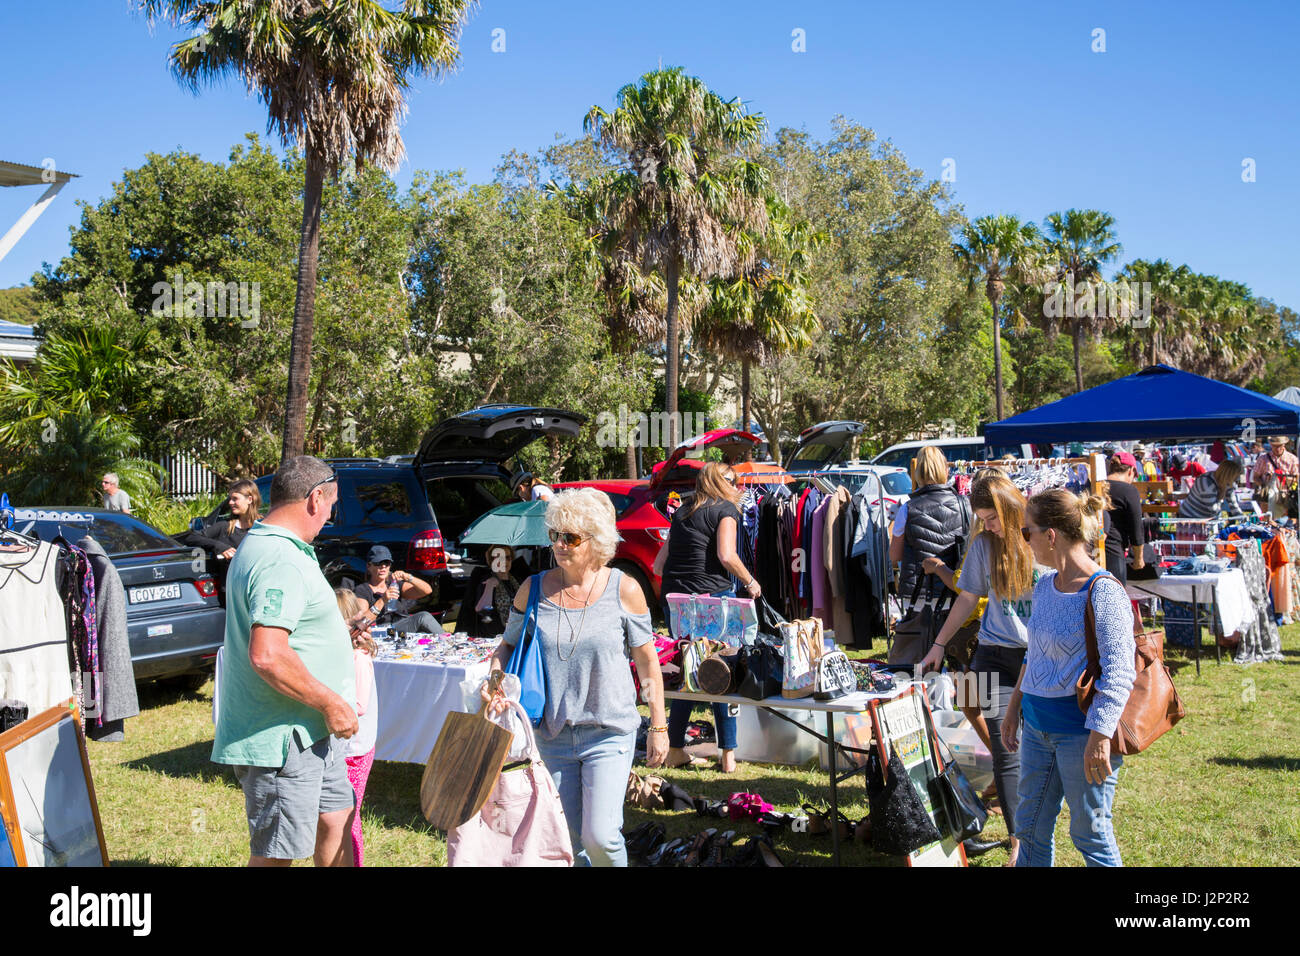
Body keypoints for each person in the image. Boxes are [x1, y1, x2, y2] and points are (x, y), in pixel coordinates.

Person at [483, 487, 667, 867]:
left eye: (571, 537)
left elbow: (648, 661)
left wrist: (659, 726)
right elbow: (504, 648)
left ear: (597, 541)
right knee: (565, 840)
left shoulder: (625, 589)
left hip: (609, 731)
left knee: (600, 837)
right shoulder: (531, 589)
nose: (560, 545)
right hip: (552, 734)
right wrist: (496, 680)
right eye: (555, 536)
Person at [211, 456, 358, 867]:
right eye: (331, 505)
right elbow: (268, 654)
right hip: (282, 738)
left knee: (335, 819)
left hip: (308, 729)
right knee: (278, 854)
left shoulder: (271, 544)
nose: (329, 516)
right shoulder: (279, 558)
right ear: (315, 499)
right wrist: (331, 702)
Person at [1003, 489, 1136, 867]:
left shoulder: (1104, 591)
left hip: (1081, 735)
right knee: (1028, 828)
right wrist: (1014, 708)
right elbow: (1033, 655)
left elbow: (1120, 671)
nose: (1024, 541)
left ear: (1051, 536)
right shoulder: (1045, 586)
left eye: (1027, 532)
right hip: (1037, 728)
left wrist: (1099, 736)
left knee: (1090, 833)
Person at [919, 474, 1045, 866]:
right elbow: (968, 597)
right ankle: (1018, 841)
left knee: (1039, 748)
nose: (987, 526)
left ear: (1010, 508)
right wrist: (938, 645)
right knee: (1007, 749)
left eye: (991, 518)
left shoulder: (1041, 538)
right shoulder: (983, 546)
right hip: (993, 656)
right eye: (982, 519)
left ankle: (1037, 824)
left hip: (1039, 657)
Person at [651, 461, 761, 773]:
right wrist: (751, 582)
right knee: (719, 673)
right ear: (719, 482)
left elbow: (659, 565)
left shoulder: (682, 511)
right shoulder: (725, 509)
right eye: (732, 479)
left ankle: (674, 748)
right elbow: (727, 555)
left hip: (679, 601)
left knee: (690, 674)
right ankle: (728, 756)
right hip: (713, 599)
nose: (738, 485)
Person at [891, 445, 971, 604]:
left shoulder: (907, 508)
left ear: (917, 472)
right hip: (955, 591)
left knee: (919, 629)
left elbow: (894, 555)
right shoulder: (965, 504)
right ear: (946, 470)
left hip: (918, 594)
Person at [335, 589, 379, 867]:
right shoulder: (344, 654)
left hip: (355, 749)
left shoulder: (359, 658)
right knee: (338, 814)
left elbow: (359, 705)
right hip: (343, 747)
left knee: (349, 816)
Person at [353, 545, 438, 633]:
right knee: (423, 617)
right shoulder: (362, 590)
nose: (383, 567)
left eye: (386, 563)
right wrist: (382, 600)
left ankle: (446, 641)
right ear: (368, 566)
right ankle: (447, 640)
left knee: (425, 631)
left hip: (401, 627)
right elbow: (362, 622)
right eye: (378, 563)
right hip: (381, 631)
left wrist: (408, 577)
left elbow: (427, 590)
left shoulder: (394, 584)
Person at [192, 479, 262, 560]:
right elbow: (193, 537)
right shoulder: (225, 526)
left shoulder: (264, 525)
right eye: (230, 499)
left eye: (235, 498)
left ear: (250, 499)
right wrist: (219, 546)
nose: (230, 502)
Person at [1103, 453, 1145, 585]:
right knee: (1114, 599)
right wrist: (1138, 559)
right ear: (1131, 470)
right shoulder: (1129, 490)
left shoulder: (1094, 485)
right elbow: (1136, 527)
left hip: (1089, 552)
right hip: (1113, 552)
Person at [468, 544, 521, 637]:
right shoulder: (487, 580)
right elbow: (481, 609)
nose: (504, 561)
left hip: (517, 632)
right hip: (495, 635)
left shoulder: (516, 580)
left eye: (507, 557)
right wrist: (490, 586)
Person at [1179, 458, 1246, 519]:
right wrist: (1221, 498)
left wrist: (1241, 517)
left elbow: (1232, 502)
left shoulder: (1227, 482)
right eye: (1235, 477)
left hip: (1206, 516)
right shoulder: (1206, 483)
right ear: (1228, 475)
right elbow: (1213, 509)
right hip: (1190, 516)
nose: (1235, 480)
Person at [1251, 437, 1299, 514]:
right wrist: (1264, 485)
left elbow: (1297, 478)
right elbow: (1255, 477)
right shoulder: (1263, 459)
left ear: (1284, 445)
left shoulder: (1292, 459)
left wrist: (1281, 479)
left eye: (1280, 445)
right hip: (1267, 498)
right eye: (1275, 446)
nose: (1278, 448)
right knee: (1267, 521)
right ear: (1270, 445)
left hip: (1285, 496)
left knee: (1284, 522)